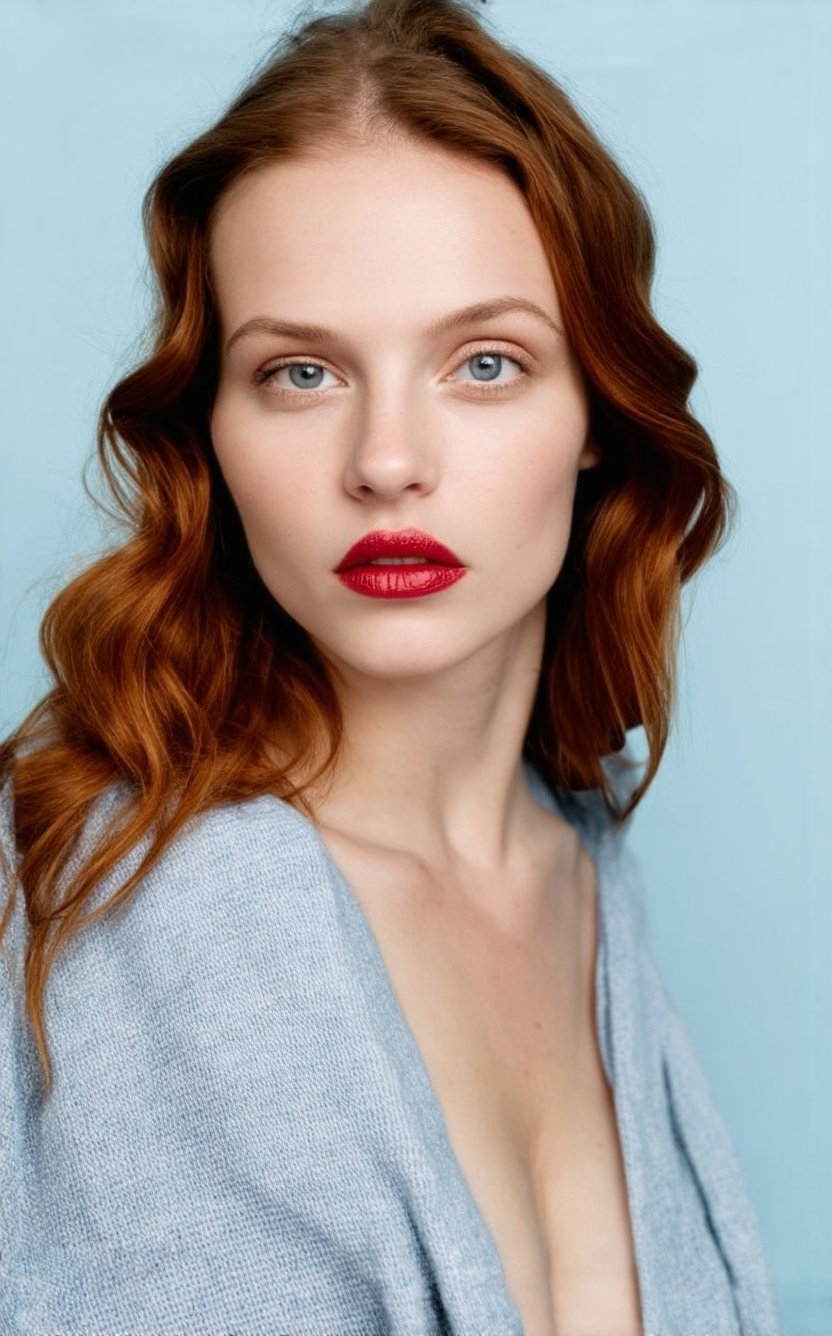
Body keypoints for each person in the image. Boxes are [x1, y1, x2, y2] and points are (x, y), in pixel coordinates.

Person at [0, 0, 782, 1332]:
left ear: (598, 411)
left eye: (486, 363)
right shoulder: (126, 914)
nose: (386, 461)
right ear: (212, 433)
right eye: (300, 373)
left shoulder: (583, 865)